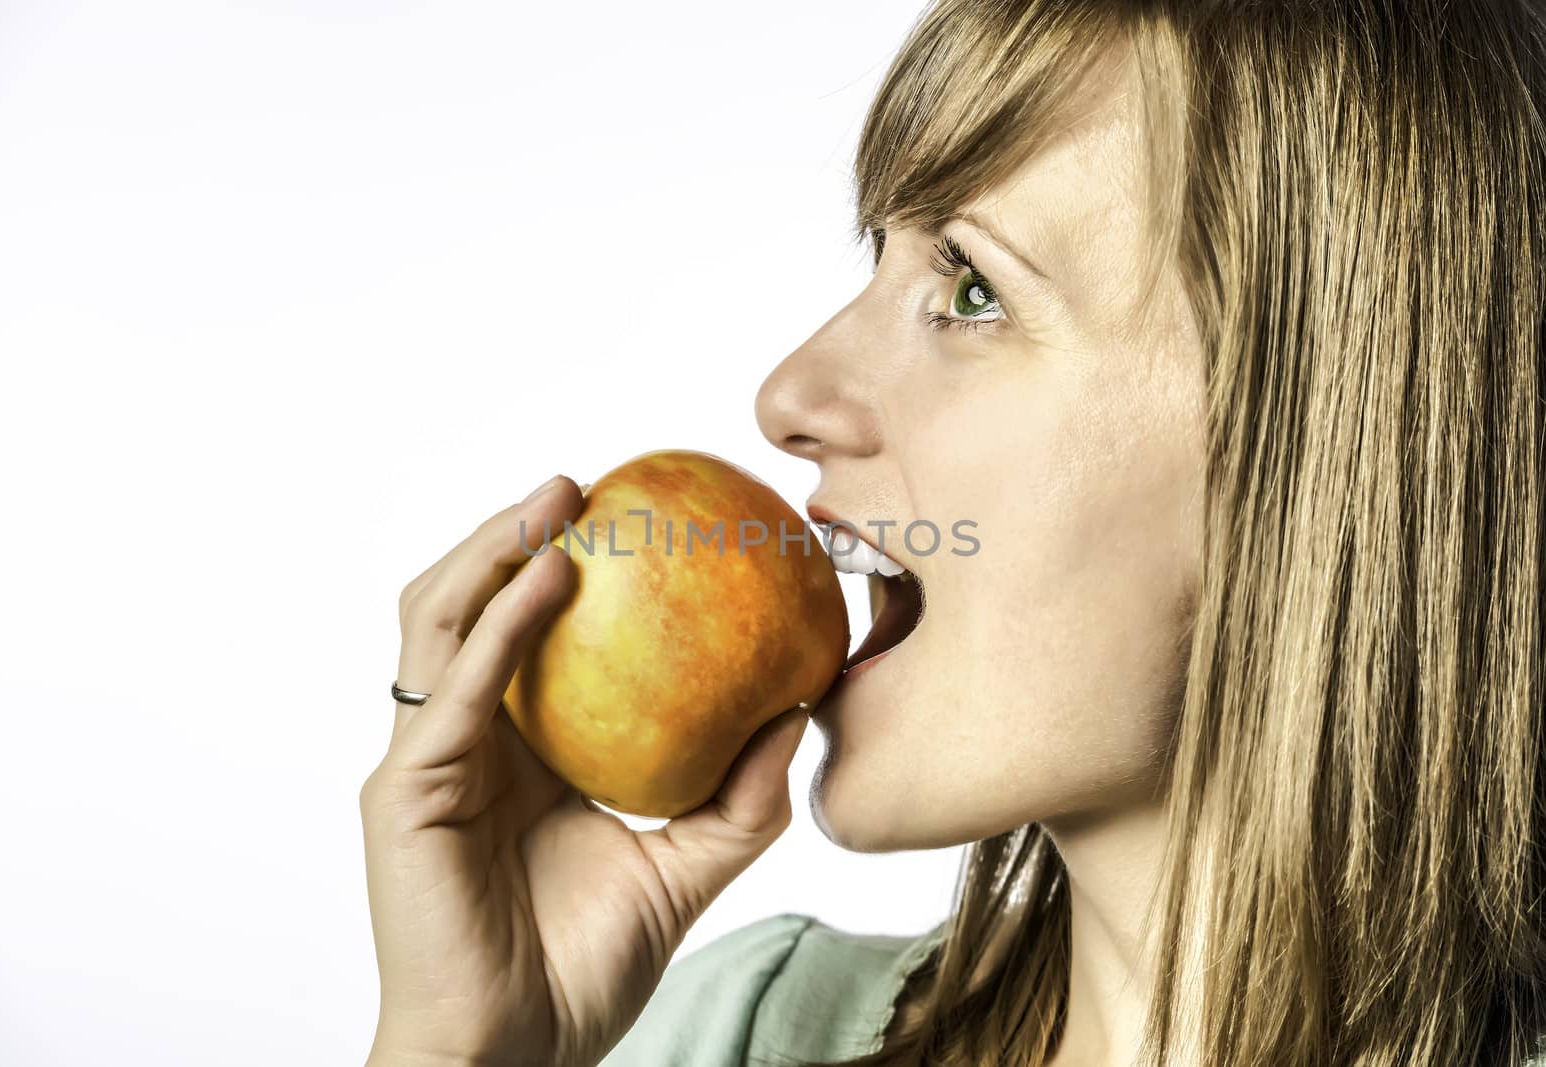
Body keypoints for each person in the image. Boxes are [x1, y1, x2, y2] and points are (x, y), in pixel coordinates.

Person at [357, 1, 1546, 1064]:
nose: (788, 393)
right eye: (880, 255)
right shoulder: (744, 1030)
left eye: (972, 289)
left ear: (1330, 441)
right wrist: (461, 1048)